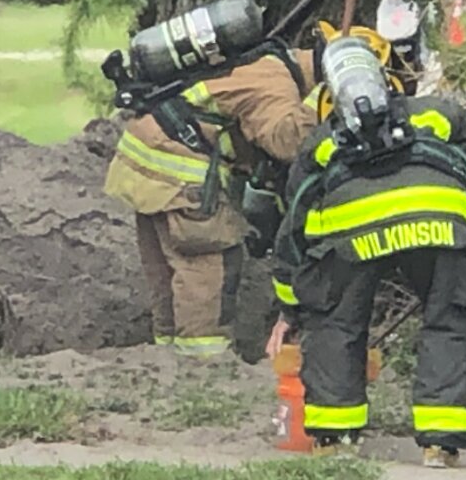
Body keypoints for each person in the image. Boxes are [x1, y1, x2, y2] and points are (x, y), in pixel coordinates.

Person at [266, 34, 466, 468]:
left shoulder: (322, 144)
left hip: (349, 234)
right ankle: (441, 444)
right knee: (449, 323)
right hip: (443, 225)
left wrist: (292, 306)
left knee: (336, 324)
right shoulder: (440, 114)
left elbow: (295, 229)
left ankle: (335, 439)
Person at [104, 21, 322, 358]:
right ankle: (203, 366)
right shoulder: (277, 83)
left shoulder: (263, 60)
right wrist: (316, 109)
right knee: (206, 266)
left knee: (167, 270)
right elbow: (288, 142)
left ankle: (164, 360)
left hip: (144, 160)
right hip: (179, 171)